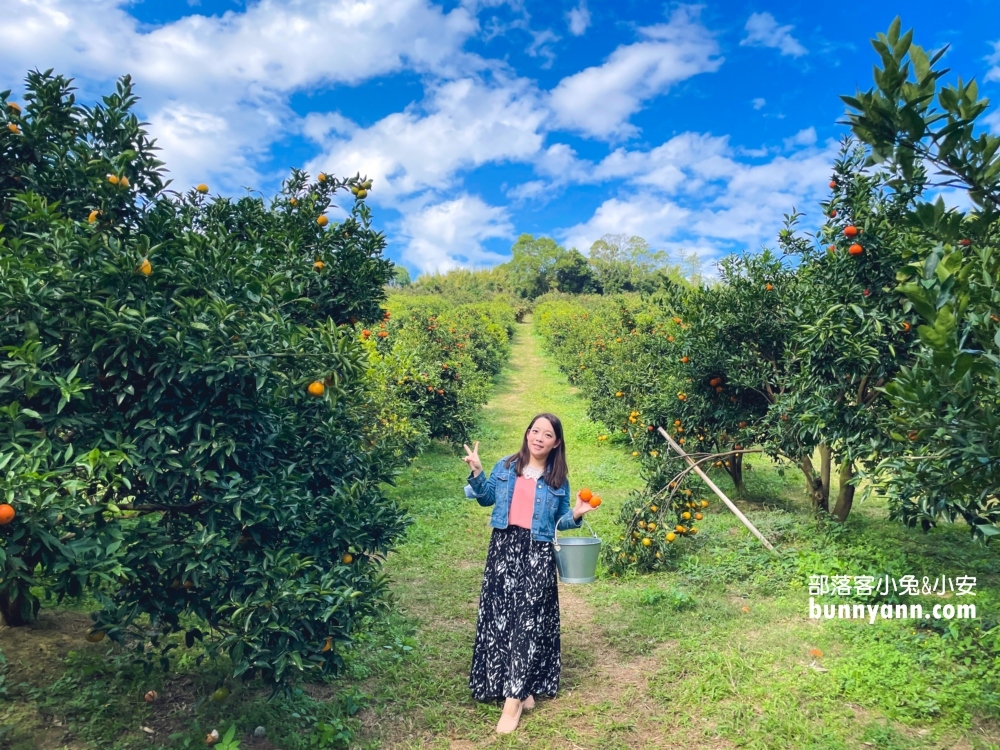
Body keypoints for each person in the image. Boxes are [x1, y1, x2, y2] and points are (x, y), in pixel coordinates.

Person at [461, 412, 599, 734]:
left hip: (537, 552)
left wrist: (576, 514)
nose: (538, 437)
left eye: (547, 434)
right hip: (504, 546)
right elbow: (486, 498)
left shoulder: (557, 480)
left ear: (556, 443)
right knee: (500, 616)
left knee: (529, 620)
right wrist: (478, 472)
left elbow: (558, 522)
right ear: (527, 434)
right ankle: (514, 687)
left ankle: (513, 701)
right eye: (534, 431)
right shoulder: (506, 466)